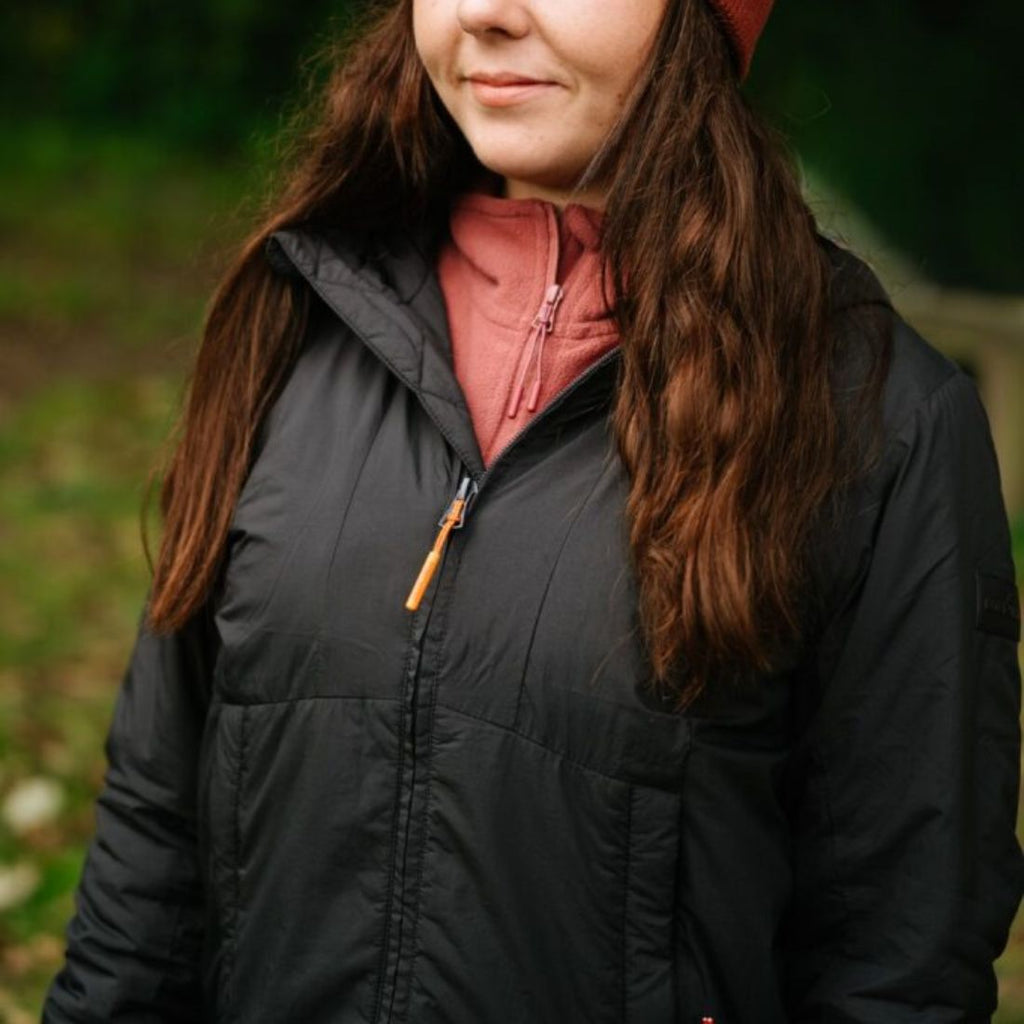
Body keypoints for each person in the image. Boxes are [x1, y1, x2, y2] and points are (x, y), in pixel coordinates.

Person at [43, 0, 1023, 1020]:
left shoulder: (873, 418)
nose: (484, 13)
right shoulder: (293, 314)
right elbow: (152, 843)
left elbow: (901, 957)